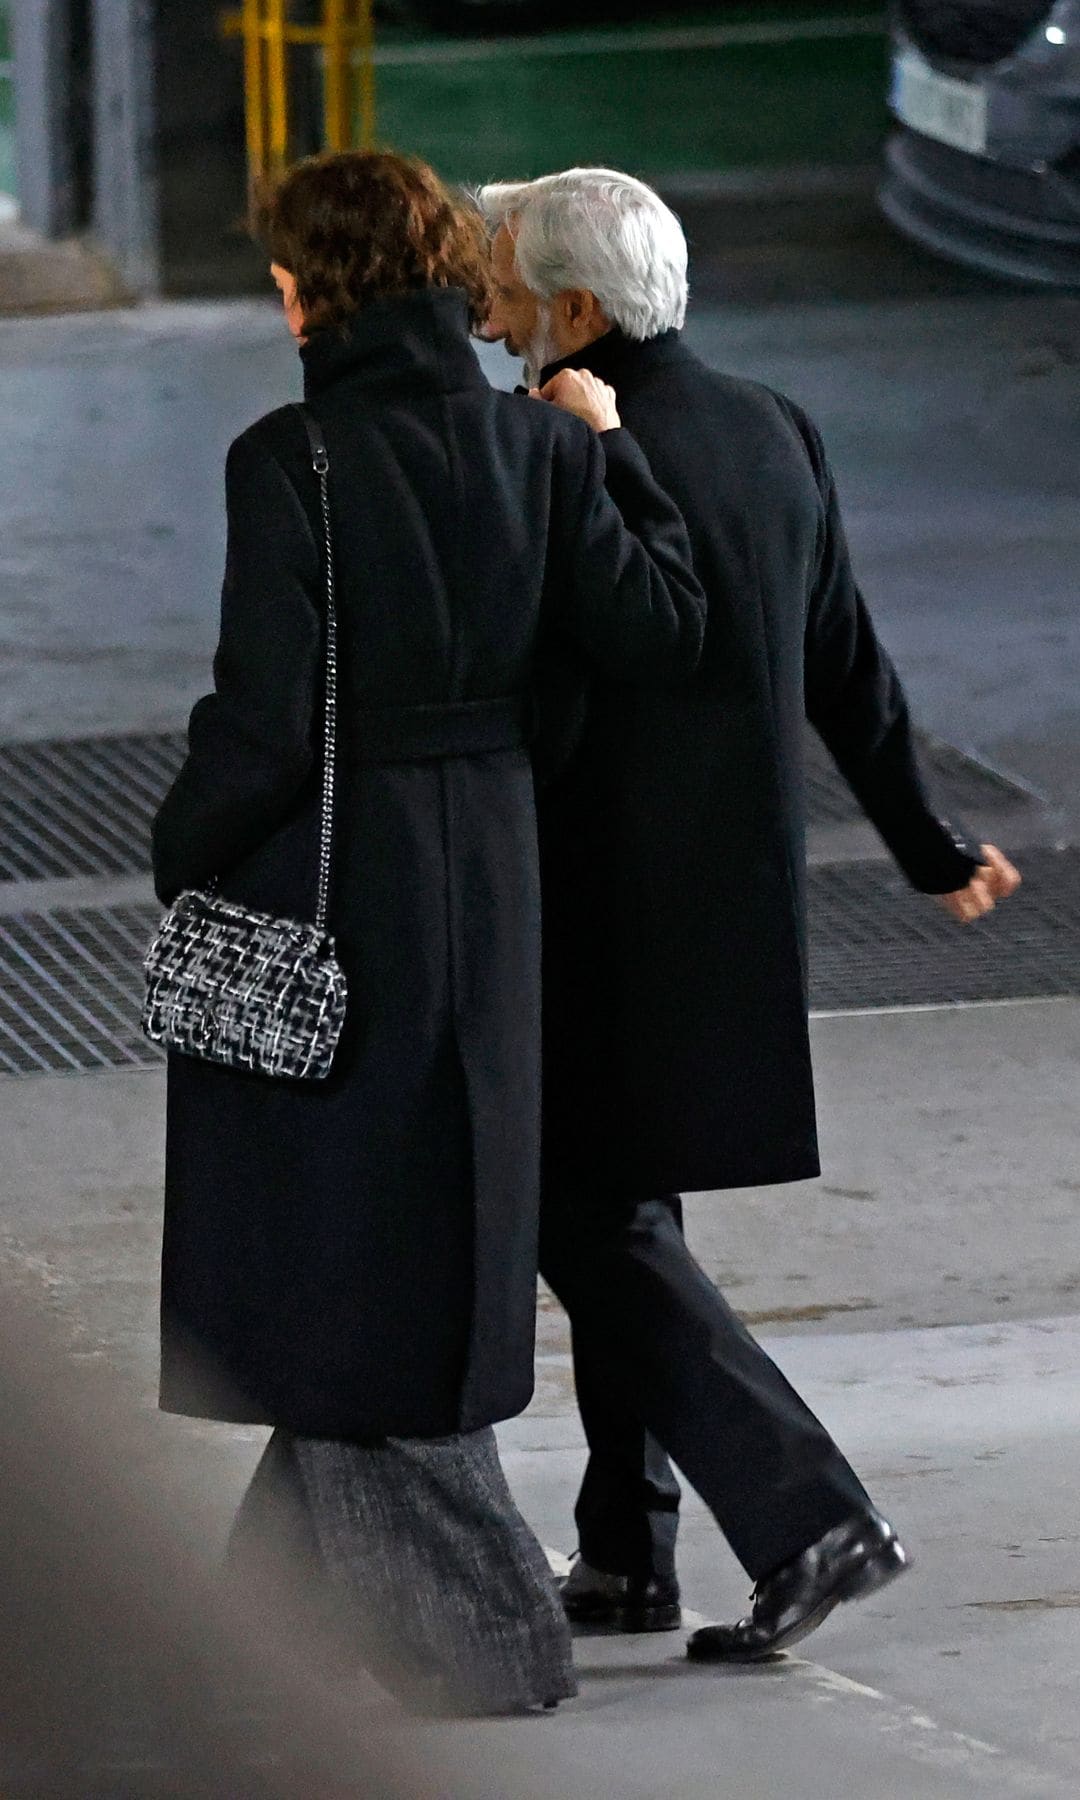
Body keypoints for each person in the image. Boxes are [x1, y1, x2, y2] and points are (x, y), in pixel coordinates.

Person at [150, 150, 705, 1715]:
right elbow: (664, 628)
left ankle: (488, 1643)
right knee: (415, 1244)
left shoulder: (292, 458)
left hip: (335, 889)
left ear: (314, 288)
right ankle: (235, 1648)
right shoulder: (535, 449)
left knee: (336, 1263)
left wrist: (179, 853)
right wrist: (608, 458)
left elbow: (262, 727)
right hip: (496, 877)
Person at [478, 167, 1022, 1661]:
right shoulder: (774, 429)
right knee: (625, 1214)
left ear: (576, 311)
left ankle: (809, 1515)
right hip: (729, 913)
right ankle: (628, 1552)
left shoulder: (566, 448)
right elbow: (846, 657)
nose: (490, 317)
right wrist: (930, 837)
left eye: (508, 294)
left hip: (585, 908)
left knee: (587, 1224)